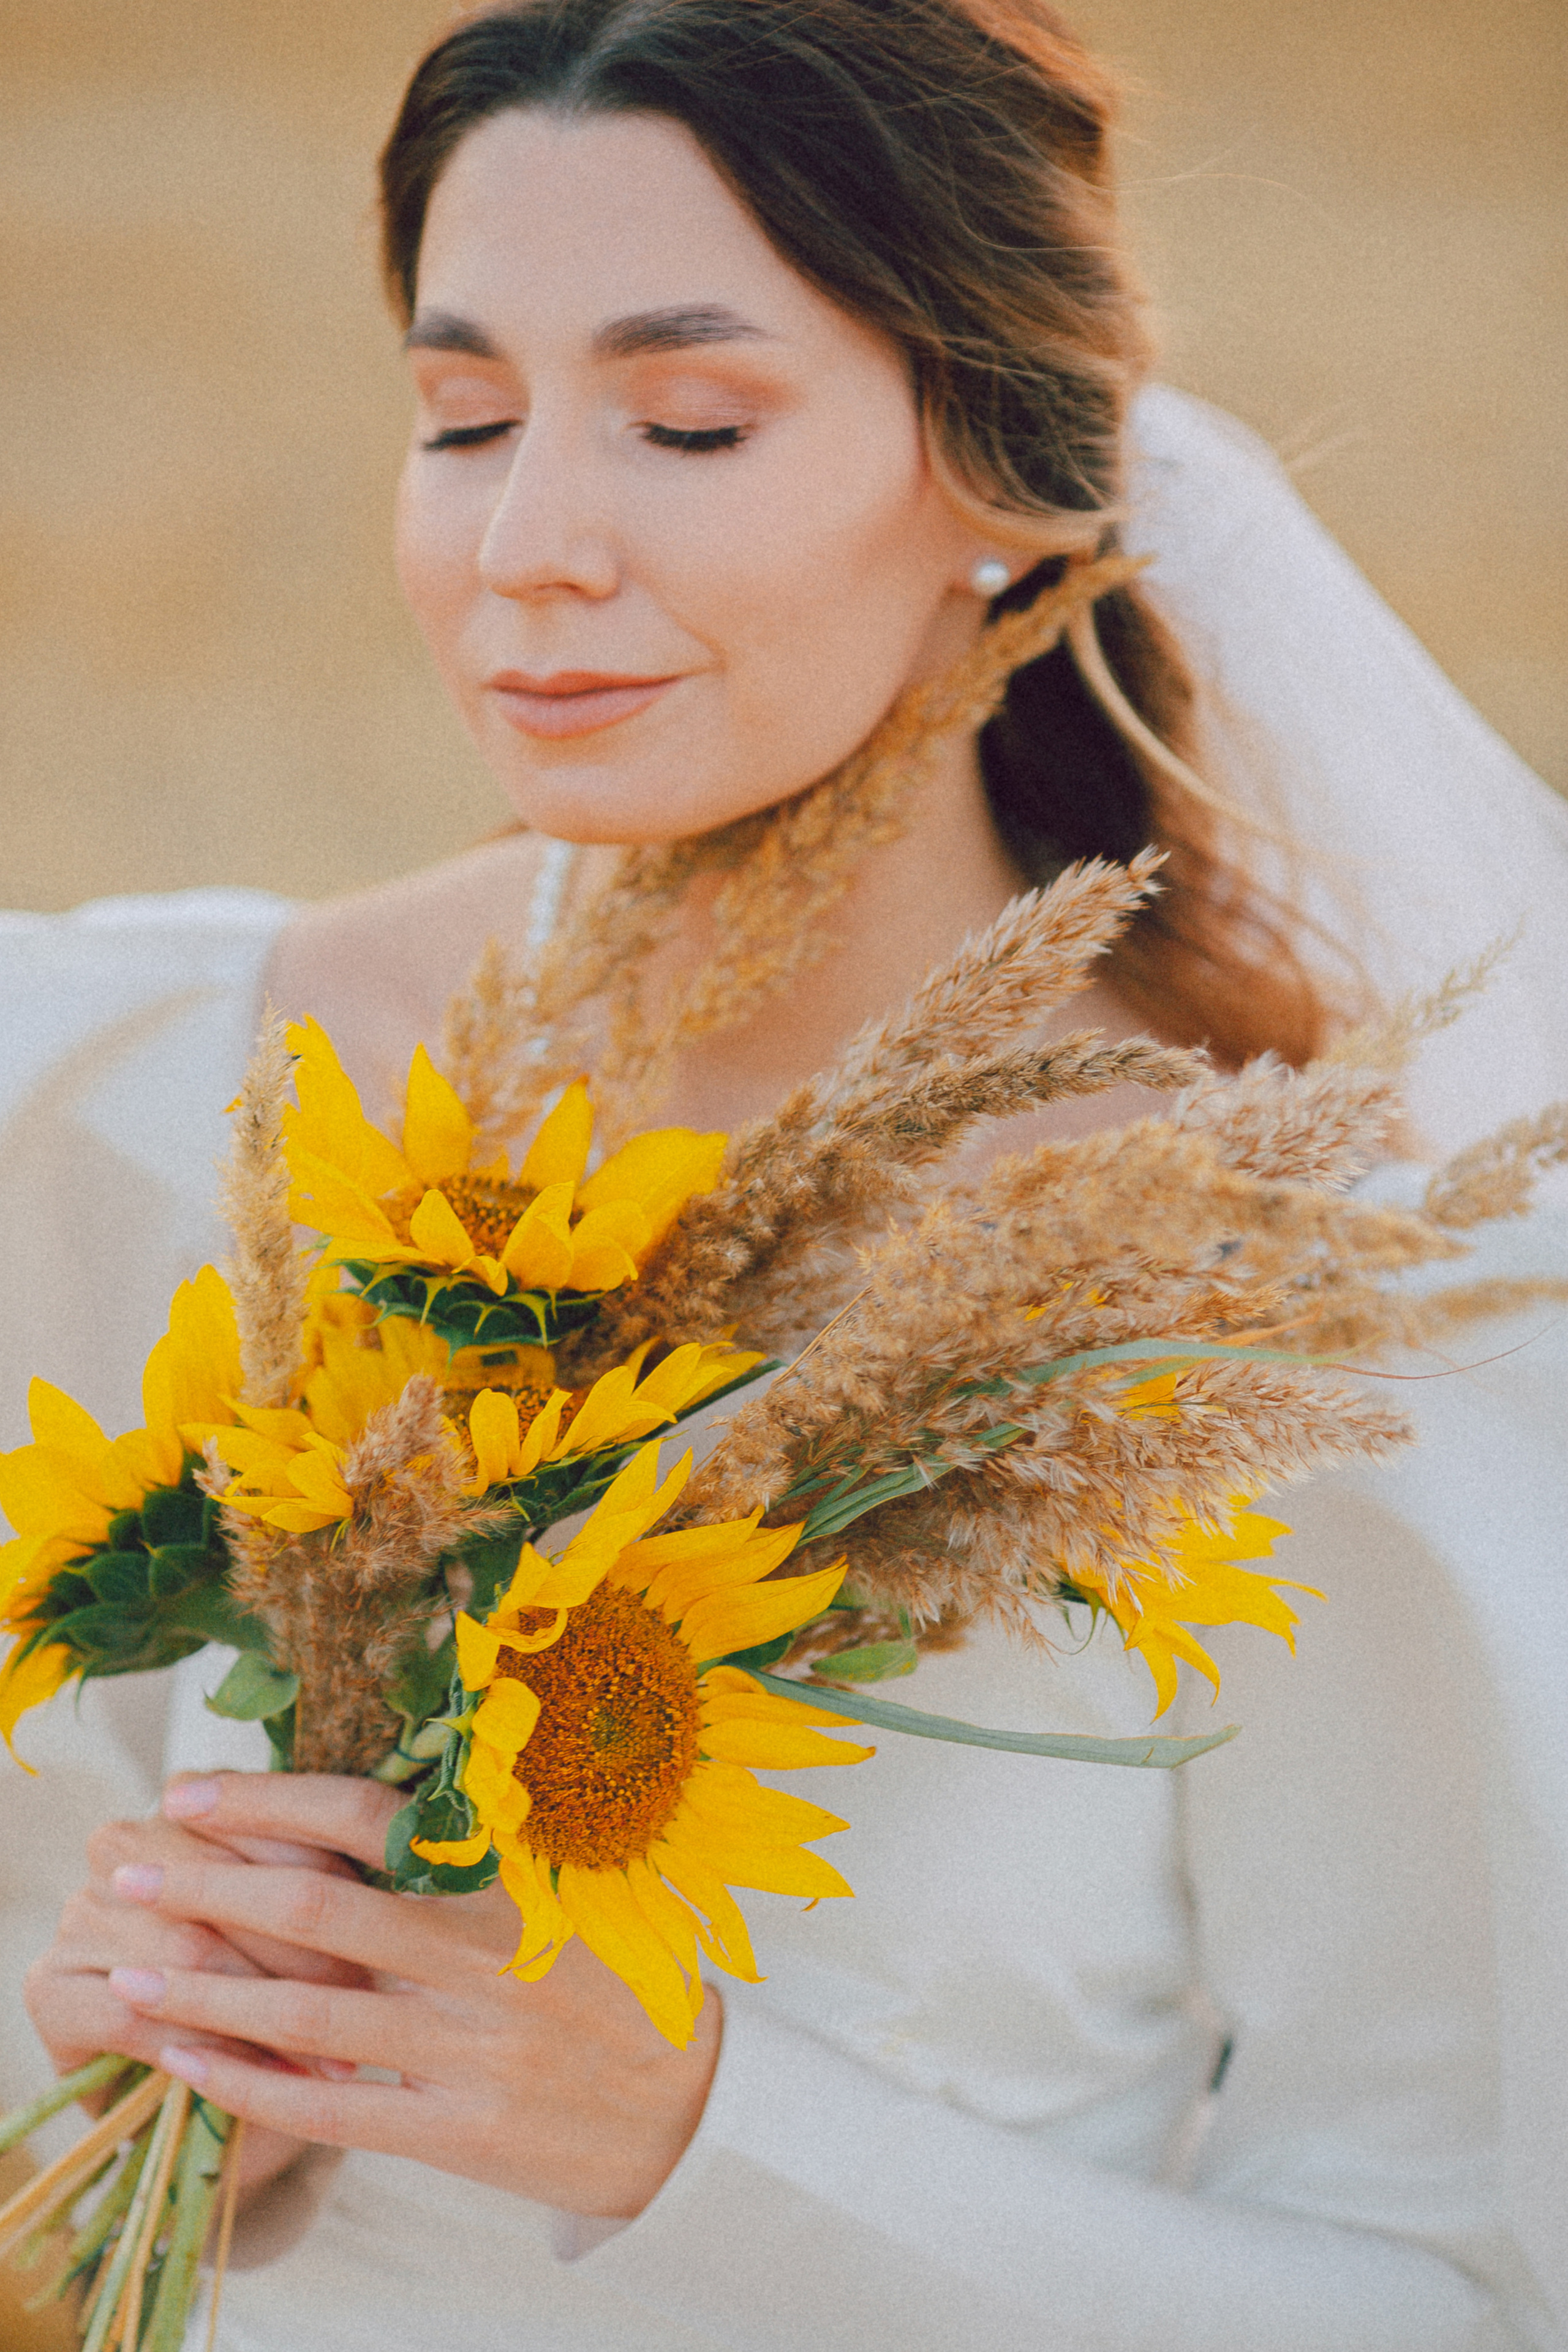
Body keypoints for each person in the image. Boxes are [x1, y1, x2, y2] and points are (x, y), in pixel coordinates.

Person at [6, 2, 1567, 2345]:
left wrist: (691, 2133)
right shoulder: (149, 1105)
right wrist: (175, 2124)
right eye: (462, 419)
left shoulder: (1280, 1302)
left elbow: (1457, 2293)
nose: (527, 547)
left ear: (1010, 470)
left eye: (689, 421)